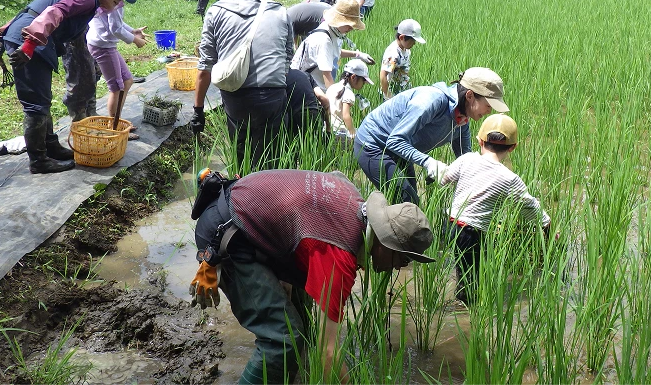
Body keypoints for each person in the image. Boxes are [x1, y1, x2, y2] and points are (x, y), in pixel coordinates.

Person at [189, 168, 435, 384]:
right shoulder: (341, 255)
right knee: (283, 340)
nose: (398, 268)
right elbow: (328, 354)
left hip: (240, 218)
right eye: (403, 259)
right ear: (386, 244)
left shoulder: (352, 201)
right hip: (228, 235)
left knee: (299, 322)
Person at [0, 0, 131, 174]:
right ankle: (39, 161)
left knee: (42, 98)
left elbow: (39, 9)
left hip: (31, 38)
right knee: (36, 104)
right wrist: (29, 45)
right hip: (29, 40)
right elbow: (54, 12)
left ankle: (51, 147)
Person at [353, 67, 509, 205]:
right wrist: (429, 163)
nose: (490, 111)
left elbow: (465, 160)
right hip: (373, 144)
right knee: (407, 203)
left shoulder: (462, 122)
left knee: (411, 205)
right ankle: (367, 221)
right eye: (488, 105)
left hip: (400, 150)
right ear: (469, 96)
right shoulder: (431, 101)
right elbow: (395, 140)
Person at [441, 114, 551, 305]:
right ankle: (467, 310)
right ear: (513, 147)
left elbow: (445, 179)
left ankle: (463, 296)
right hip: (472, 233)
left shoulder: (466, 159)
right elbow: (528, 205)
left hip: (450, 224)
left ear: (479, 141)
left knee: (463, 267)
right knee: (473, 278)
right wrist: (545, 223)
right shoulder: (509, 178)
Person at [191, 0, 294, 168]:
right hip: (272, 94)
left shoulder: (216, 11)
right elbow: (287, 57)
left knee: (242, 155)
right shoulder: (280, 11)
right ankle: (269, 194)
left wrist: (198, 110)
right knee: (270, 159)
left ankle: (241, 191)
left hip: (236, 95)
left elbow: (205, 66)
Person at [86, 0, 144, 141]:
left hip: (107, 44)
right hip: (103, 46)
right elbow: (115, 29)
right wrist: (134, 40)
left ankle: (117, 119)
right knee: (117, 87)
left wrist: (132, 30)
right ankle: (114, 128)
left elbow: (117, 24)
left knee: (127, 80)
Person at [290, 0, 374, 91]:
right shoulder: (324, 39)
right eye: (349, 24)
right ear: (339, 20)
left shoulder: (335, 31)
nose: (352, 28)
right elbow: (327, 76)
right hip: (307, 89)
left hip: (316, 86)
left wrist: (357, 54)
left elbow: (333, 51)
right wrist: (334, 100)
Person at [326, 59, 374, 144]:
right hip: (339, 132)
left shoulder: (332, 87)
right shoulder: (348, 93)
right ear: (353, 77)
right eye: (363, 81)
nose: (364, 84)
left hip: (327, 129)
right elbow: (346, 115)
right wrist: (352, 132)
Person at [380, 19, 425, 100]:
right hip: (392, 93)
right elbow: (383, 75)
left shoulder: (406, 49)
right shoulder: (394, 54)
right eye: (413, 40)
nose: (414, 43)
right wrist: (388, 96)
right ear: (402, 37)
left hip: (402, 91)